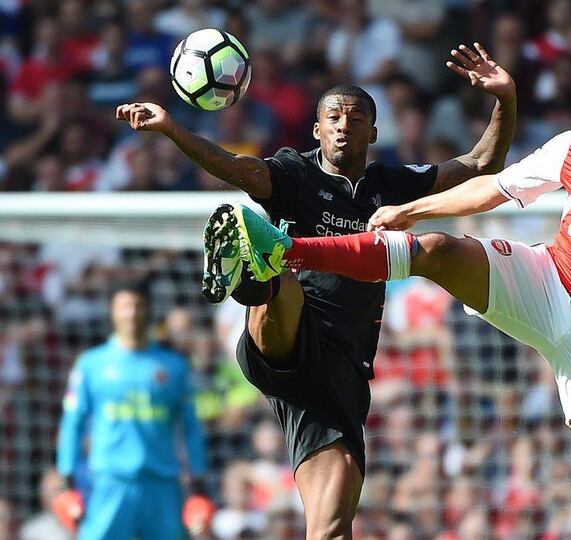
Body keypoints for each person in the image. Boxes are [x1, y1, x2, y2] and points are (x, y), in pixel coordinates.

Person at [217, 49, 571, 535]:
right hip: (545, 282)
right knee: (434, 251)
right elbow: (491, 186)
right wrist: (412, 209)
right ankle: (287, 250)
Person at [115, 43, 517, 539]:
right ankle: (256, 268)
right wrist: (172, 129)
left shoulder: (395, 185)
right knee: (286, 274)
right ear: (317, 129)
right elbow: (236, 168)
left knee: (331, 527)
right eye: (333, 117)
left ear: (374, 131)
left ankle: (263, 259)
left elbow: (481, 165)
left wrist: (505, 100)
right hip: (288, 336)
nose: (343, 124)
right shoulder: (294, 173)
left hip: (341, 371)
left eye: (355, 117)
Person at [53, 280, 212, 539]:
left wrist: (199, 481)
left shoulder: (173, 366)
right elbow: (73, 423)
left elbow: (191, 427)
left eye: (138, 306)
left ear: (148, 310)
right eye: (125, 307)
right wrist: (66, 479)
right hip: (109, 481)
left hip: (162, 483)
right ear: (113, 312)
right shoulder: (91, 364)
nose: (132, 313)